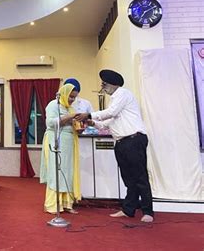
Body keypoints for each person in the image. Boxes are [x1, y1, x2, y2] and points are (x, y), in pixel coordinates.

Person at [76, 69, 154, 223]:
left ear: (113, 84)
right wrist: (92, 122)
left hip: (134, 140)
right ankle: (128, 209)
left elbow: (111, 113)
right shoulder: (115, 100)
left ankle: (148, 211)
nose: (102, 87)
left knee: (140, 177)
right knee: (128, 179)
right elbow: (106, 124)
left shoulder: (123, 94)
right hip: (121, 143)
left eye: (104, 84)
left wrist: (89, 115)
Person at [40, 83, 81, 214]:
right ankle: (52, 204)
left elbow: (73, 125)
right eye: (70, 97)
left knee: (68, 172)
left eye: (74, 98)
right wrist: (70, 117)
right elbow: (50, 123)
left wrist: (80, 126)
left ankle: (66, 203)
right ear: (63, 93)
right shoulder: (53, 105)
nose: (72, 100)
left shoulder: (70, 108)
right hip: (55, 140)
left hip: (69, 143)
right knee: (56, 172)